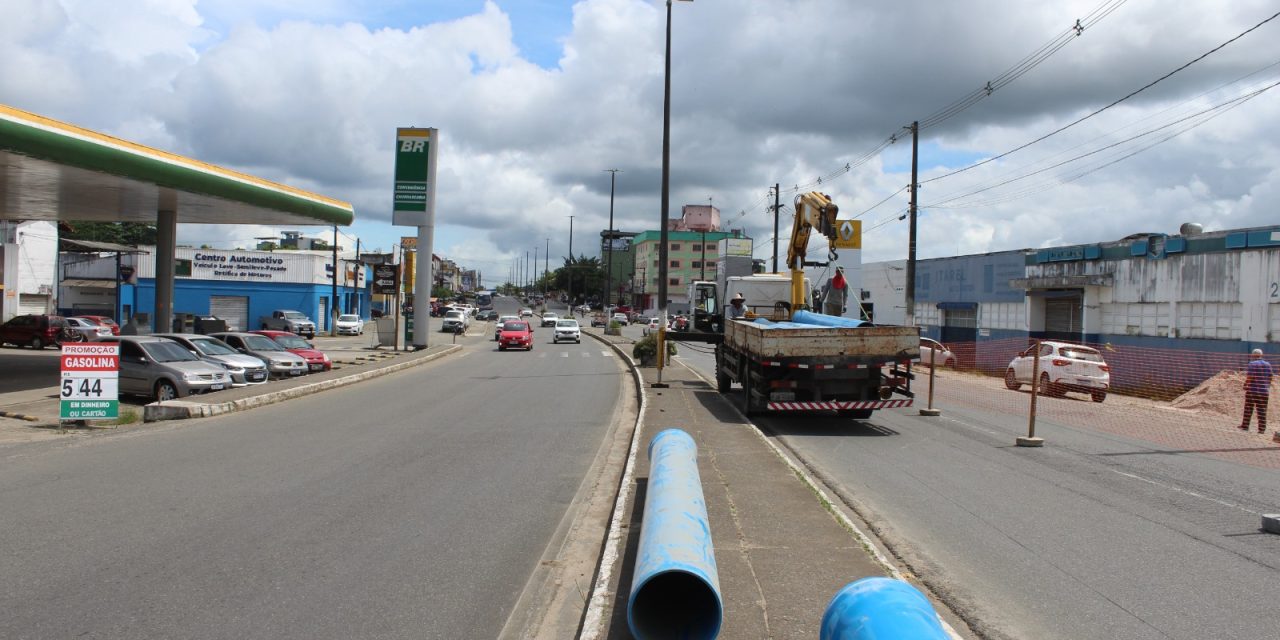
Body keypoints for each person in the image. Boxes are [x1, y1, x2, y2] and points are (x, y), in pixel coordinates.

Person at [1240, 348, 1273, 435]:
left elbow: (1250, 376)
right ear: (1261, 355)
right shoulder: (1268, 364)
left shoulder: (1252, 364)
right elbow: (1270, 376)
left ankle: (1245, 426)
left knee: (1248, 408)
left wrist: (1245, 384)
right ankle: (1261, 429)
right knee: (1262, 410)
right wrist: (1267, 386)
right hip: (1264, 392)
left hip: (1252, 391)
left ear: (1253, 355)